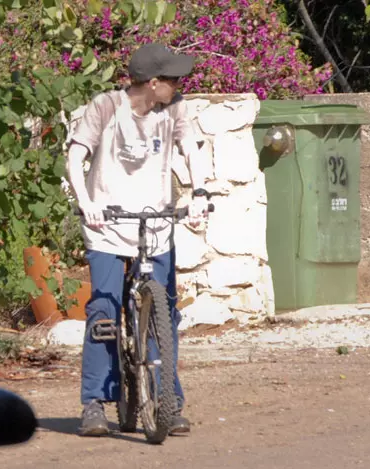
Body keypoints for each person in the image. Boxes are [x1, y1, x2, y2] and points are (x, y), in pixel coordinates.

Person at [65, 43, 211, 437]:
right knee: (105, 312)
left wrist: (200, 194)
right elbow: (75, 157)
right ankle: (94, 403)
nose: (180, 85)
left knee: (164, 311)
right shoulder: (106, 107)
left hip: (157, 222)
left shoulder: (175, 109)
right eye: (173, 79)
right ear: (153, 83)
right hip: (108, 226)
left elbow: (192, 151)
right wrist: (87, 202)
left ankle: (168, 401)